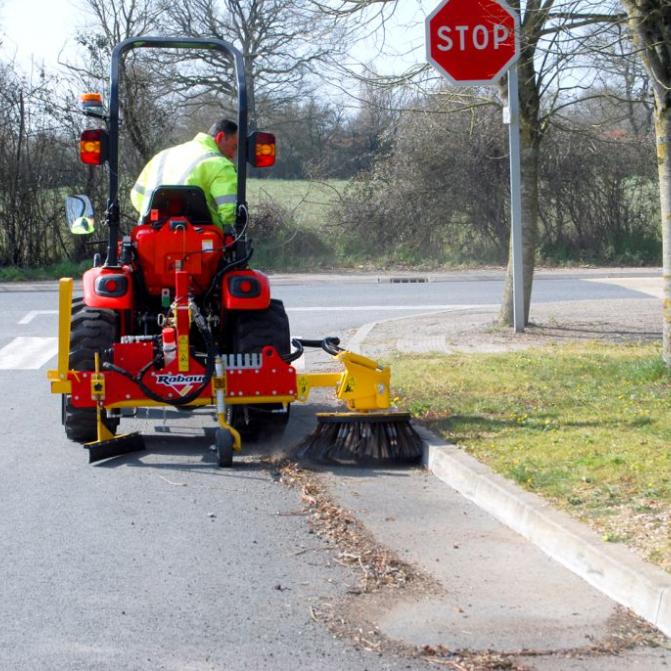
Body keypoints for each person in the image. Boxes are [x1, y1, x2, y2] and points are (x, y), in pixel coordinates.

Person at [130, 119, 239, 230]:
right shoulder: (220, 164)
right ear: (221, 137)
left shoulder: (162, 156)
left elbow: (136, 196)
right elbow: (230, 212)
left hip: (149, 234)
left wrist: (158, 217)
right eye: (234, 147)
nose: (233, 155)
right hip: (195, 239)